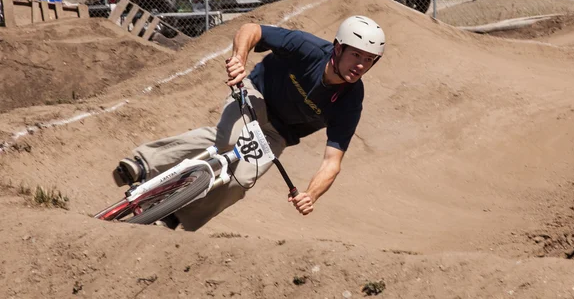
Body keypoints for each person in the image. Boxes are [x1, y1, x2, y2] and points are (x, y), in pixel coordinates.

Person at [112, 15, 386, 231]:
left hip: (279, 134)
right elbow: (252, 29)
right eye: (356, 55)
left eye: (369, 60)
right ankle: (144, 162)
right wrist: (239, 60)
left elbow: (332, 162)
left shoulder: (351, 100)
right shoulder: (308, 49)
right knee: (228, 141)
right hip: (257, 94)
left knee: (241, 180)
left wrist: (311, 195)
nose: (361, 65)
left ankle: (174, 216)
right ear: (338, 48)